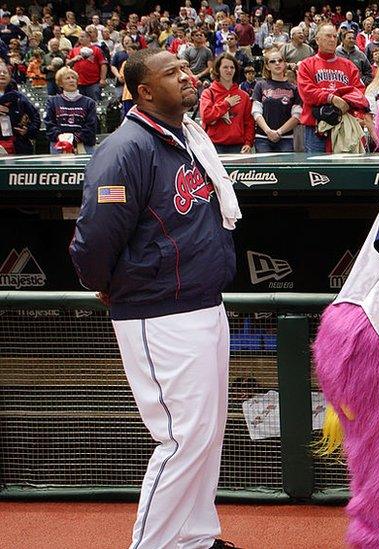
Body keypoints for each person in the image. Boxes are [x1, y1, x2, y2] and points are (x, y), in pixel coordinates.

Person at [68, 47, 239, 549]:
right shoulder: (127, 148)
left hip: (202, 302)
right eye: (173, 73)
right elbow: (95, 236)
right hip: (159, 311)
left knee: (205, 437)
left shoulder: (187, 137)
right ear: (145, 91)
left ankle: (196, 539)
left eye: (188, 69)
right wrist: (104, 281)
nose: (188, 77)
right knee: (183, 437)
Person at [297, 23, 366, 154]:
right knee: (317, 171)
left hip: (343, 125)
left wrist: (346, 102)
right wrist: (332, 98)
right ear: (317, 39)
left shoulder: (349, 66)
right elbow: (307, 92)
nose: (333, 39)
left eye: (335, 36)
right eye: (328, 36)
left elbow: (359, 91)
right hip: (316, 128)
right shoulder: (306, 65)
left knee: (344, 168)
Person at [200, 52, 254, 154]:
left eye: (232, 67)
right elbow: (206, 116)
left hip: (238, 147)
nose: (229, 70)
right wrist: (226, 104)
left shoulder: (244, 96)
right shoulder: (208, 93)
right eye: (225, 67)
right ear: (218, 69)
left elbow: (249, 123)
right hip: (214, 147)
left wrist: (248, 142)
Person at [251, 49, 301, 152]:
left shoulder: (294, 88)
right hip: (263, 138)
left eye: (280, 60)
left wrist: (279, 132)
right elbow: (256, 112)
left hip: (286, 138)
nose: (277, 63)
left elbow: (296, 116)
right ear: (267, 66)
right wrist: (268, 131)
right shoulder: (260, 85)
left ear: (284, 63)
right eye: (273, 61)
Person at [44, 67, 97, 154]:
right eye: (67, 78)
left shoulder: (89, 102)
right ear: (60, 83)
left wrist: (74, 138)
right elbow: (49, 124)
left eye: (73, 78)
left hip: (84, 146)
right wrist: (61, 137)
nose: (71, 80)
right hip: (59, 145)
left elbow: (91, 127)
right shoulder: (52, 102)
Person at [0, 60, 40, 154]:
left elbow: (35, 117)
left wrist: (28, 130)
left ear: (10, 77)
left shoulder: (19, 97)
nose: (2, 74)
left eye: (5, 72)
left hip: (17, 145)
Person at [66, 31, 107, 101]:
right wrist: (74, 59)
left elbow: (103, 64)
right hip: (78, 83)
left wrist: (103, 79)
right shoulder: (74, 50)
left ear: (88, 38)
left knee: (94, 104)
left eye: (82, 36)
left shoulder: (96, 49)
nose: (80, 38)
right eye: (79, 37)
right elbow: (67, 64)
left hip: (93, 83)